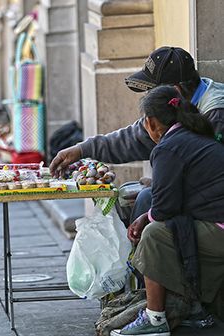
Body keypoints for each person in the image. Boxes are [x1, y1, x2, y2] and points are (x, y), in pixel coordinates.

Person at [49, 46, 224, 224]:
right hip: (199, 196)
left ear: (175, 90)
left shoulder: (216, 114)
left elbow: (209, 178)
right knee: (128, 194)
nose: (149, 97)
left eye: (152, 92)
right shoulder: (175, 107)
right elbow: (134, 137)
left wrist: (163, 185)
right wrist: (81, 149)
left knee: (146, 200)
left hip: (215, 210)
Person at [110, 85, 224, 336]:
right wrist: (145, 215)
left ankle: (155, 318)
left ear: (150, 123)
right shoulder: (193, 136)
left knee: (154, 234)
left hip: (219, 229)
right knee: (160, 226)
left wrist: (144, 220)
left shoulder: (168, 147)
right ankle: (188, 307)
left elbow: (162, 209)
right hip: (215, 222)